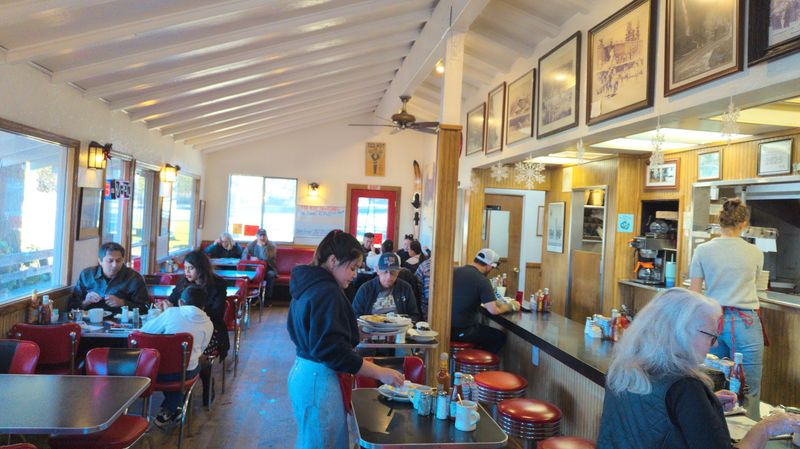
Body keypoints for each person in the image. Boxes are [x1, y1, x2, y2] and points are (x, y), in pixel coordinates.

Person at [597, 288, 800, 449]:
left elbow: (652, 417)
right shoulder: (685, 387)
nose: (713, 344)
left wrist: (704, 406)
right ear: (681, 332)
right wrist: (766, 428)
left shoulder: (623, 367)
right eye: (711, 335)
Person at [287, 229, 404, 449]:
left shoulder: (309, 283)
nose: (354, 274)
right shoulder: (326, 291)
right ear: (333, 261)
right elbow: (333, 352)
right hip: (318, 378)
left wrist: (356, 332)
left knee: (311, 440)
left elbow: (312, 333)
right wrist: (381, 372)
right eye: (352, 268)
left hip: (303, 372)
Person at [689, 198, 765, 419]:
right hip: (746, 322)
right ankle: (750, 436)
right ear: (744, 223)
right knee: (748, 387)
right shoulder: (755, 252)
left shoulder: (702, 250)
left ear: (719, 222)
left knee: (712, 381)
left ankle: (713, 432)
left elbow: (694, 293)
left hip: (713, 321)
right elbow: (756, 285)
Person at [142, 286, 214, 429]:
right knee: (191, 364)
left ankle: (172, 408)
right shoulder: (209, 324)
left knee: (170, 366)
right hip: (185, 374)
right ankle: (173, 408)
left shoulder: (171, 313)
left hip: (155, 373)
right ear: (204, 306)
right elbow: (201, 351)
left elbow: (145, 332)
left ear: (181, 302)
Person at [450, 248, 518, 354]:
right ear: (490, 266)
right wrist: (512, 306)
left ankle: (471, 358)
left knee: (482, 331)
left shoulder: (455, 271)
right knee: (499, 337)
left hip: (445, 328)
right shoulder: (482, 280)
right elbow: (493, 310)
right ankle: (477, 362)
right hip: (462, 331)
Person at [167, 250, 230, 359]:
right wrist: (165, 304)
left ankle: (195, 369)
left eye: (191, 268)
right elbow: (172, 300)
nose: (186, 272)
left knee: (190, 348)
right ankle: (183, 370)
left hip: (209, 328)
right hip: (184, 327)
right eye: (185, 268)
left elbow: (217, 314)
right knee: (170, 344)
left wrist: (189, 311)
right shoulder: (182, 282)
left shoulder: (218, 284)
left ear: (201, 268)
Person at [69, 242, 149, 314]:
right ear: (100, 261)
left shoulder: (134, 278)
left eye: (118, 261)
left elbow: (145, 308)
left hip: (121, 322)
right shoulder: (86, 275)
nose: (114, 265)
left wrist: (123, 303)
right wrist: (86, 302)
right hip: (90, 320)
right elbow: (71, 306)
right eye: (110, 261)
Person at [352, 252, 420, 322]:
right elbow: (354, 315)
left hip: (398, 330)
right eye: (385, 272)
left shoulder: (406, 288)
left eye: (393, 272)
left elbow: (414, 315)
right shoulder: (365, 289)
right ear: (377, 270)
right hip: (372, 330)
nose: (389, 277)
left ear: (398, 272)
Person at [242, 228, 278, 299]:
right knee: (248, 274)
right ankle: (252, 298)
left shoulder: (271, 246)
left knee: (270, 275)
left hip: (268, 268)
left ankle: (268, 299)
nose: (262, 237)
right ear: (257, 236)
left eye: (264, 236)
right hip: (254, 269)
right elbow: (243, 257)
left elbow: (266, 258)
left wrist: (262, 247)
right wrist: (250, 258)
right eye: (260, 235)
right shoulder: (251, 245)